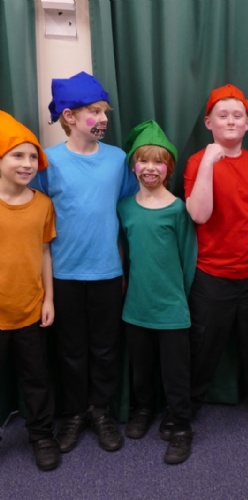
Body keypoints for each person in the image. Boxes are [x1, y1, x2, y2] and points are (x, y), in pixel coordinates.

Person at [31, 71, 138, 454]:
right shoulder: (49, 162)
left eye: (105, 111)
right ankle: (75, 413)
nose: (104, 118)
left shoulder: (118, 159)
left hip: (107, 271)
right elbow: (37, 213)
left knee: (106, 347)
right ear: (69, 116)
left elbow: (124, 212)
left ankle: (102, 411)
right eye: (95, 111)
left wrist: (123, 267)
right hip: (64, 274)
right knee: (70, 349)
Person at [183, 84, 248, 428]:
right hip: (211, 275)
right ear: (208, 122)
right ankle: (187, 406)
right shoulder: (197, 162)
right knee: (202, 346)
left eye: (237, 115)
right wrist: (209, 162)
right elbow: (199, 215)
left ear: (247, 123)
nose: (230, 121)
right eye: (222, 115)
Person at [118, 120, 197, 465]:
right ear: (133, 165)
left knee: (175, 372)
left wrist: (180, 298)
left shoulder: (178, 209)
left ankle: (180, 425)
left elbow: (188, 257)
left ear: (169, 169)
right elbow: (124, 252)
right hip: (136, 306)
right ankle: (144, 409)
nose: (150, 168)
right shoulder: (125, 207)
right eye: (143, 161)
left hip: (172, 308)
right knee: (141, 366)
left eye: (159, 162)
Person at [0, 111, 59, 471]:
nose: (26, 164)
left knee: (36, 378)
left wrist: (48, 298)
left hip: (30, 309)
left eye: (33, 157)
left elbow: (44, 252)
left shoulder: (43, 204)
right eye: (17, 155)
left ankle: (41, 435)